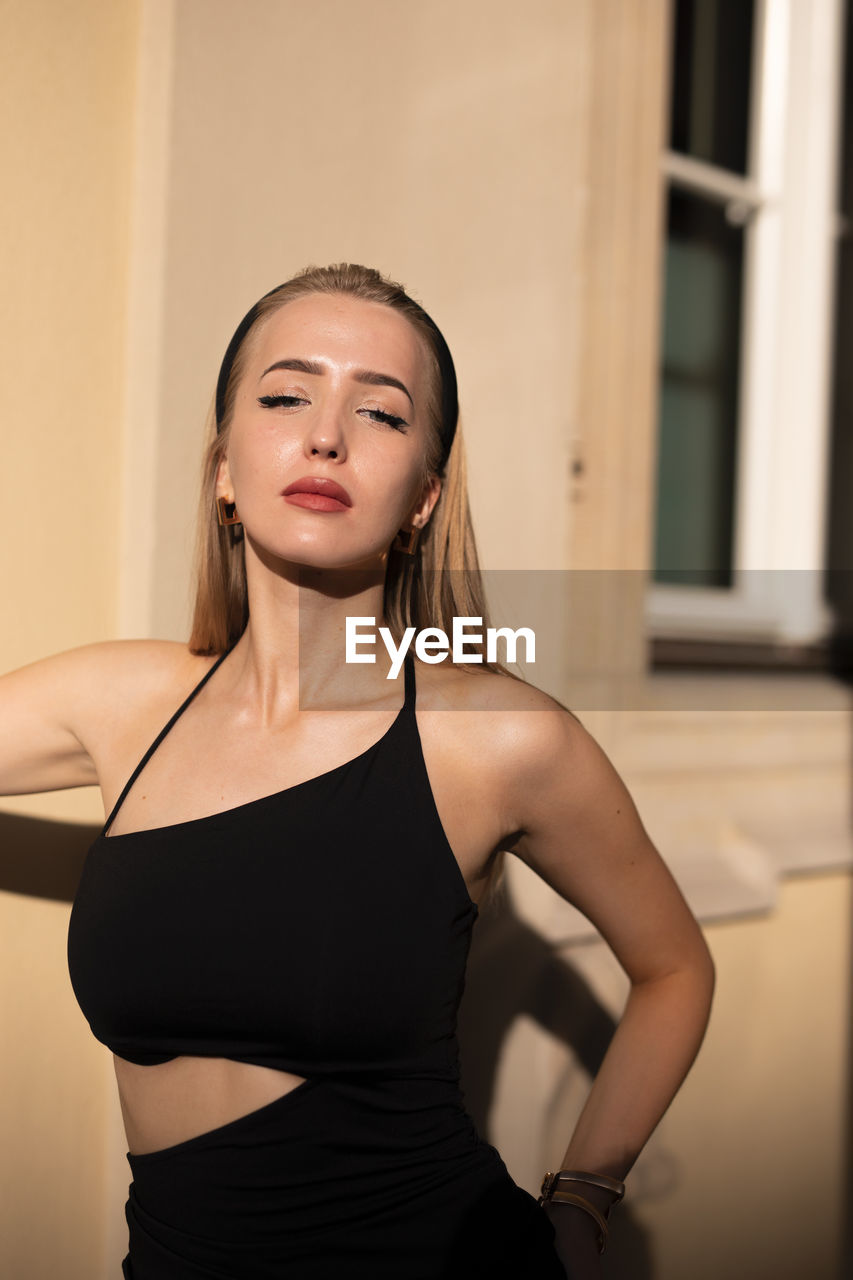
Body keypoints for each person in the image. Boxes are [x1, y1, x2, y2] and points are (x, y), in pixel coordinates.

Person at [2, 263, 714, 1279]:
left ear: (423, 496)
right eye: (286, 395)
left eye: (379, 412)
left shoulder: (496, 738)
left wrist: (583, 1199)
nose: (325, 432)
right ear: (222, 471)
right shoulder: (127, 701)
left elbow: (675, 967)